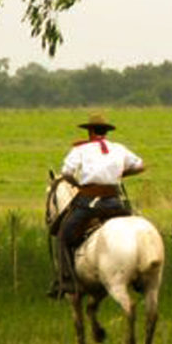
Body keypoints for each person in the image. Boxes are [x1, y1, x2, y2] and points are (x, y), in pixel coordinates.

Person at [48, 113, 145, 297]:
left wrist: (77, 183)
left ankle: (67, 280)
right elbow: (140, 166)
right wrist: (119, 175)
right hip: (115, 202)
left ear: (90, 131)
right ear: (105, 132)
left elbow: (66, 172)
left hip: (89, 203)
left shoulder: (80, 150)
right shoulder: (118, 148)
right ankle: (139, 275)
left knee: (63, 235)